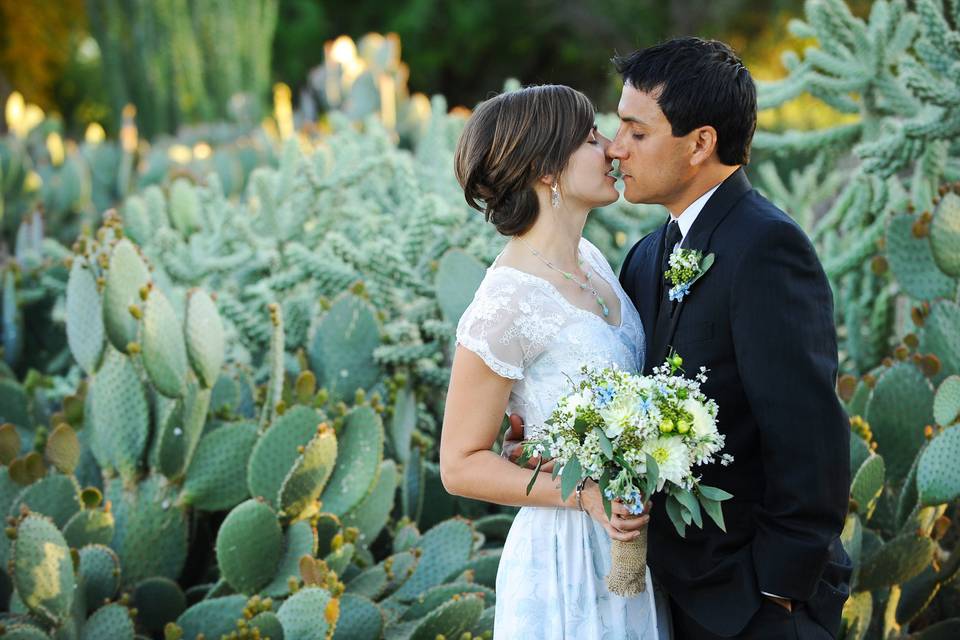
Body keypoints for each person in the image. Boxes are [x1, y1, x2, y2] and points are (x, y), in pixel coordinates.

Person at [502, 37, 852, 639]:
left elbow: (810, 439)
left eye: (637, 133)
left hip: (753, 604)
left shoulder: (767, 248)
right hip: (662, 595)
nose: (616, 149)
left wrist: (776, 593)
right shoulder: (643, 257)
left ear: (700, 144)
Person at [439, 84, 667, 639]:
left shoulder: (591, 261)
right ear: (546, 168)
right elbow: (460, 463)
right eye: (592, 139)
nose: (613, 149)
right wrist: (585, 494)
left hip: (631, 537)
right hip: (564, 552)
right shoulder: (506, 302)